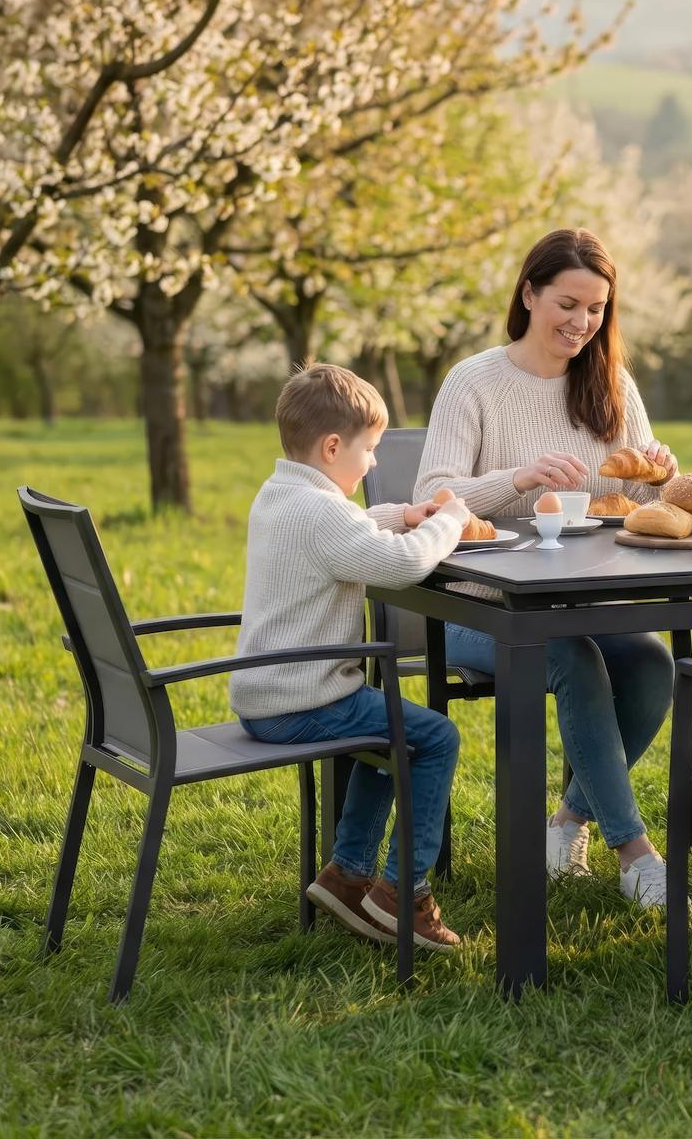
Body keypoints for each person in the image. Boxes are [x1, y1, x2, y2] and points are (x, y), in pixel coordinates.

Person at [415, 228, 678, 908]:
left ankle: (565, 824)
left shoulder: (609, 381)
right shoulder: (474, 382)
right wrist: (515, 477)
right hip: (475, 602)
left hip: (579, 596)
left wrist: (661, 474)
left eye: (596, 310)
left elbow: (641, 490)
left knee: (651, 663)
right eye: (568, 303)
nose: (581, 323)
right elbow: (427, 496)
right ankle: (636, 852)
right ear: (529, 293)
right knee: (574, 658)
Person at [232, 364, 471, 952]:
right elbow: (399, 565)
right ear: (333, 446)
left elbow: (349, 532)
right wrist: (450, 520)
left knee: (393, 729)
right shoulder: (321, 514)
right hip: (304, 699)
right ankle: (402, 895)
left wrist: (400, 517)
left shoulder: (282, 495)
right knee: (434, 738)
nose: (371, 464)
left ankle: (347, 875)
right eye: (369, 450)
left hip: (268, 695)